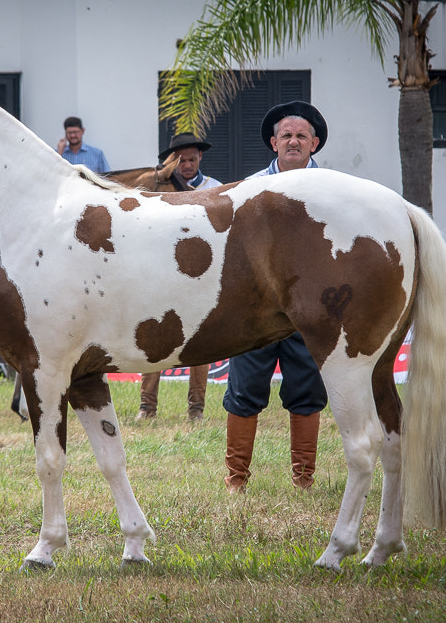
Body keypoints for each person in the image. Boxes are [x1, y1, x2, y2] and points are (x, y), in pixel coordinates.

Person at [222, 100, 329, 493]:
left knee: (308, 390)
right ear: (273, 143)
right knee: (244, 389)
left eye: (302, 135)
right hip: (257, 307)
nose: (294, 141)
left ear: (314, 143)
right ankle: (236, 479)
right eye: (286, 135)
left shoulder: (334, 190)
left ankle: (303, 478)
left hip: (309, 309)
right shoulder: (250, 190)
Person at [136, 132, 221, 423]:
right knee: (155, 340)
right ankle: (147, 407)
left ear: (201, 158)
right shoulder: (159, 188)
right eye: (181, 160)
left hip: (200, 276)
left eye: (192, 159)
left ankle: (196, 409)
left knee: (201, 341)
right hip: (162, 275)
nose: (187, 165)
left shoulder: (215, 189)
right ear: (172, 161)